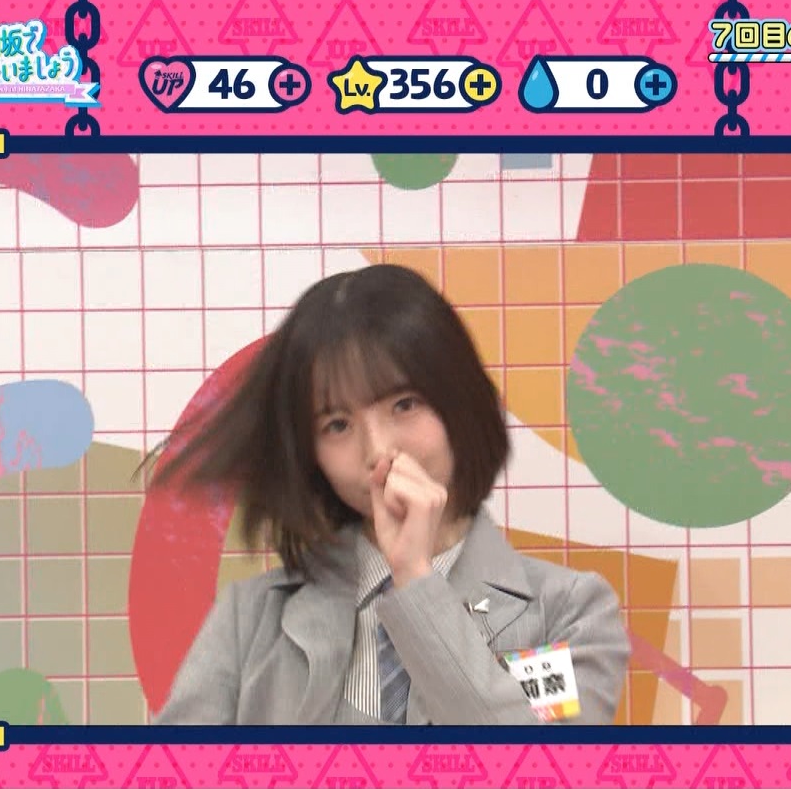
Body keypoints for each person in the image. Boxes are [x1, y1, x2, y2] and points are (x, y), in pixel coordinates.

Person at [150, 264, 630, 725]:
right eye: (337, 425)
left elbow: (536, 766)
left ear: (459, 403)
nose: (378, 451)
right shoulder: (249, 618)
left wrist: (416, 581)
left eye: (404, 404)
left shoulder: (568, 610)